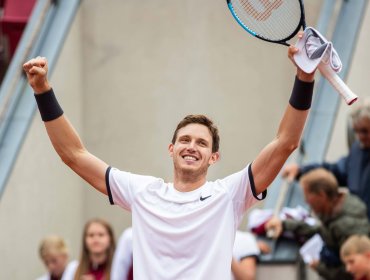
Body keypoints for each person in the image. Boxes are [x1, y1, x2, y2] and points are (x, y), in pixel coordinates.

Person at [23, 39, 316, 279]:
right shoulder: (142, 192)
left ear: (214, 157)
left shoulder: (229, 194)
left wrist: (304, 77)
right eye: (184, 140)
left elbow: (285, 143)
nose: (191, 146)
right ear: (171, 149)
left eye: (202, 143)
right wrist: (42, 91)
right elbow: (74, 155)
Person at [265, 168, 370, 280]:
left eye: (307, 195)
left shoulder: (346, 225)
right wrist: (285, 225)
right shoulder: (336, 213)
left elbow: (350, 272)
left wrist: (319, 267)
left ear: (321, 195)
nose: (306, 201)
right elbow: (318, 229)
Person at [282, 98, 370, 218]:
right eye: (356, 131)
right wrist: (301, 171)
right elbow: (335, 171)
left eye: (364, 131)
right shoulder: (357, 151)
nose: (360, 137)